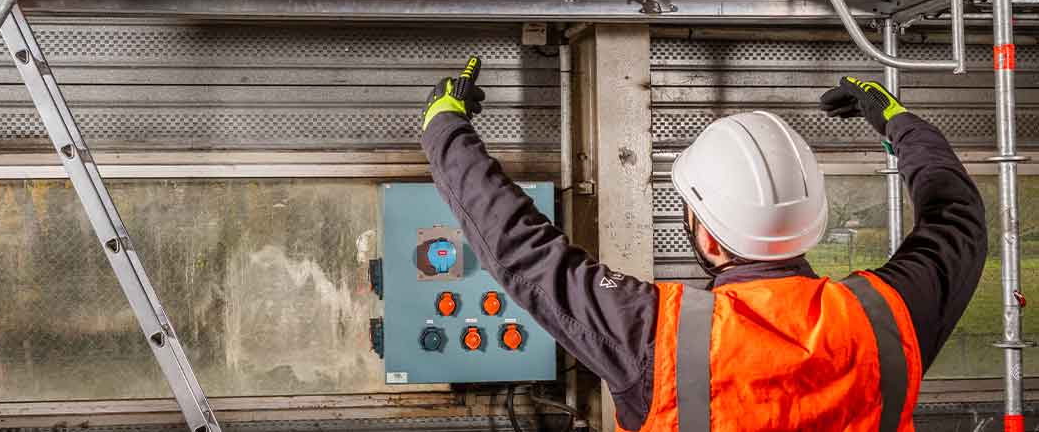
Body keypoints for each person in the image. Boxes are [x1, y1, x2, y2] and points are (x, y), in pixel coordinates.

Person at [421, 58, 986, 431]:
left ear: (707, 234)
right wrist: (895, 120)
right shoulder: (887, 315)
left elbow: (520, 246)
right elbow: (956, 217)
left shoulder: (654, 334)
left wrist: (445, 126)